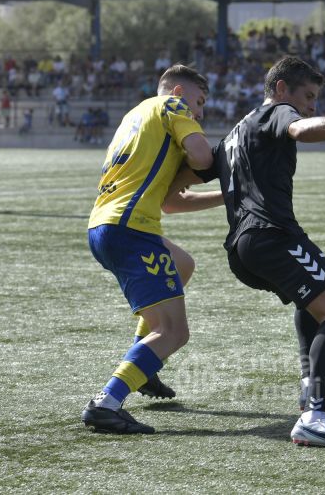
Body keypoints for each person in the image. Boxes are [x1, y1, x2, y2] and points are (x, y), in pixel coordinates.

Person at [173, 56, 325, 448]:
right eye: (309, 96)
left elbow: (174, 190)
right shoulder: (277, 113)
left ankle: (308, 387)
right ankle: (315, 415)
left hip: (242, 250)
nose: (313, 105)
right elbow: (299, 128)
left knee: (311, 303)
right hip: (272, 237)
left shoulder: (234, 133)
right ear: (281, 90)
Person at [81, 65, 223, 435]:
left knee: (183, 264)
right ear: (177, 92)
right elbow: (204, 157)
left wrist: (227, 196)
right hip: (131, 230)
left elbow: (171, 204)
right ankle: (107, 401)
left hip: (103, 225)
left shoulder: (136, 114)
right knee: (175, 332)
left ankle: (144, 368)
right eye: (199, 102)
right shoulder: (172, 108)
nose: (200, 112)